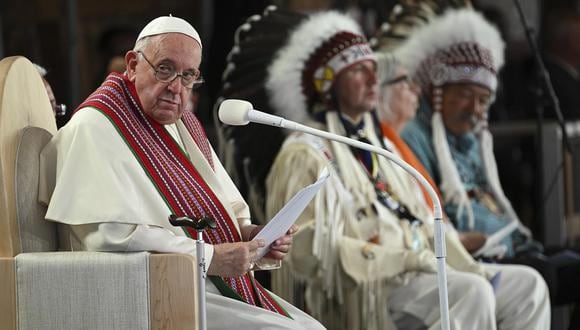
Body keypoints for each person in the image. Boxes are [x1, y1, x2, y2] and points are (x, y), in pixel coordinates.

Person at [240, 8, 549, 330]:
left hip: (416, 272)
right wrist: (403, 259)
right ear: (327, 82)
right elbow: (305, 249)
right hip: (368, 287)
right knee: (469, 292)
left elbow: (421, 217)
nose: (374, 80)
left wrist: (463, 262)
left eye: (374, 70)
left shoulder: (379, 148)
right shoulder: (306, 153)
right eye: (359, 71)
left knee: (528, 286)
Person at [39, 15, 324, 330]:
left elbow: (218, 206)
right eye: (165, 69)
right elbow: (108, 236)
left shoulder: (182, 123)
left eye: (188, 76)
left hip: (198, 280)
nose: (176, 88)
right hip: (148, 289)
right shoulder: (95, 125)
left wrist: (248, 236)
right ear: (132, 65)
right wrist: (211, 257)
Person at [398, 7, 580, 326]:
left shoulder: (472, 141)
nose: (474, 109)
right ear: (437, 93)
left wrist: (528, 247)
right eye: (465, 95)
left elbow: (492, 204)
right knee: (549, 276)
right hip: (466, 261)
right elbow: (427, 213)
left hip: (508, 253)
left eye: (483, 100)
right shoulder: (415, 137)